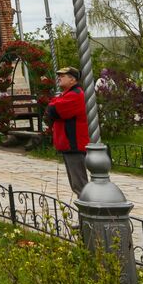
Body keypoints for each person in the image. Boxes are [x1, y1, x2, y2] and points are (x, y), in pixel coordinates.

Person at [46, 66, 90, 194]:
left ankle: (88, 208)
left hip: (74, 144)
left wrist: (52, 107)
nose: (59, 78)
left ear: (73, 79)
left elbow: (53, 110)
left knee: (79, 184)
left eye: (63, 76)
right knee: (76, 184)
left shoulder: (75, 95)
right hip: (68, 144)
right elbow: (52, 105)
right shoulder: (67, 94)